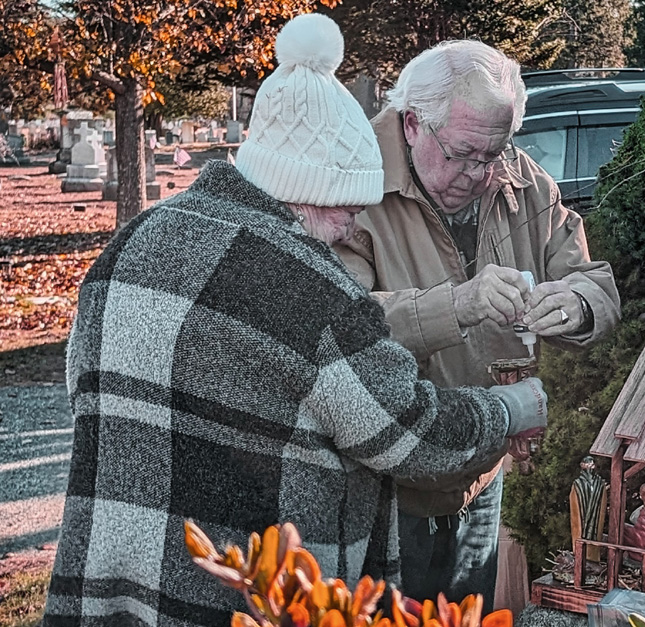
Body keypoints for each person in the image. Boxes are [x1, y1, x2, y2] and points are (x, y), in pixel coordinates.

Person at [42, 15, 547, 627]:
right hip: (246, 595)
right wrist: (513, 408)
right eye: (346, 211)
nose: (354, 229)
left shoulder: (130, 247)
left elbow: (85, 397)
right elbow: (408, 433)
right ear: (308, 189)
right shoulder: (312, 290)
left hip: (115, 586)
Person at [335, 40, 621, 610]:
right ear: (413, 124)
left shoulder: (520, 179)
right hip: (385, 485)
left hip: (482, 473)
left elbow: (595, 281)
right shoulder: (352, 178)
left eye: (494, 153)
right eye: (465, 153)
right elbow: (342, 326)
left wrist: (578, 305)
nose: (479, 174)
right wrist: (459, 303)